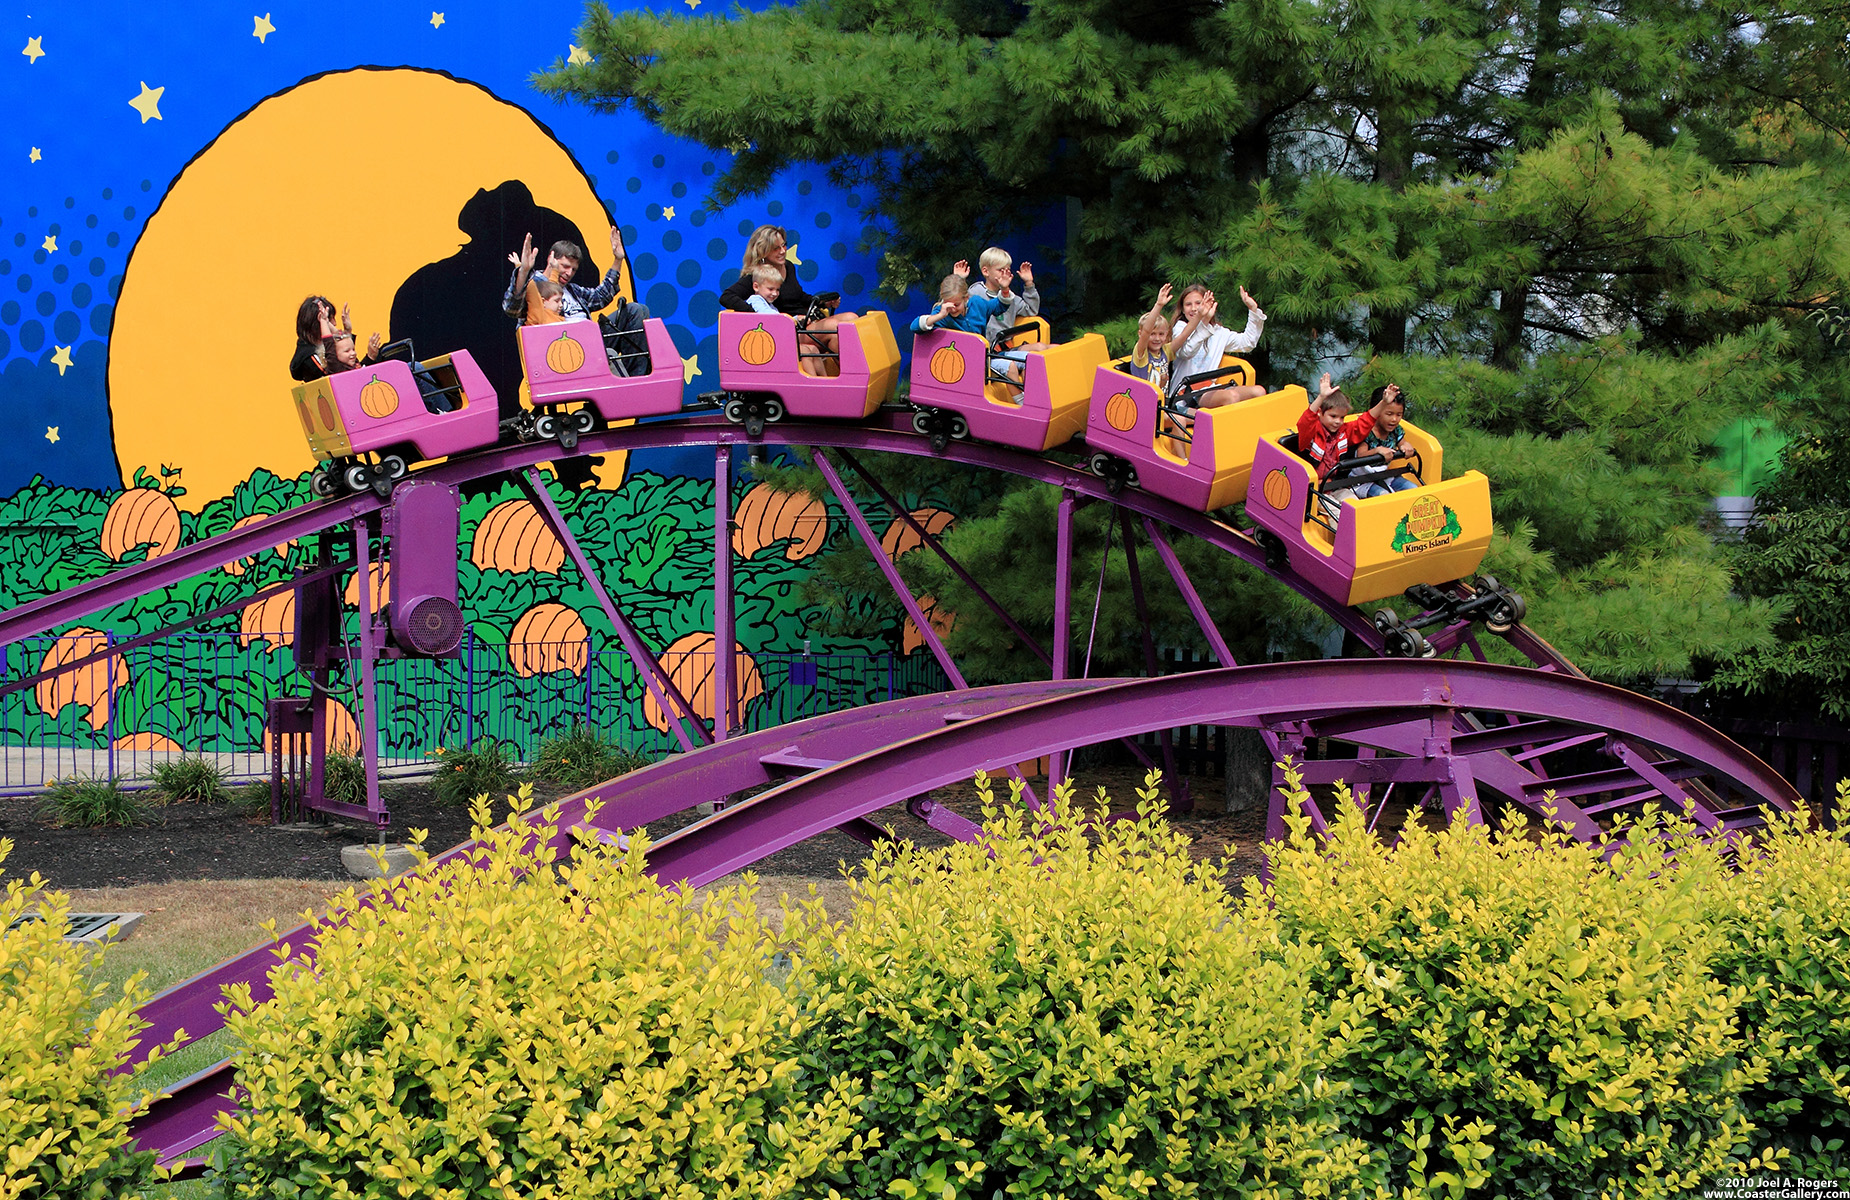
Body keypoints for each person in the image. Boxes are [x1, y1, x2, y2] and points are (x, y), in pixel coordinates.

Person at [503, 228, 651, 376]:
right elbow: (512, 308)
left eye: (573, 269)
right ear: (551, 258)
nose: (569, 273)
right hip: (560, 353)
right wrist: (523, 272)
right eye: (565, 266)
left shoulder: (572, 290)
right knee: (608, 352)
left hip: (591, 342)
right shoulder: (534, 286)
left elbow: (600, 297)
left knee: (635, 311)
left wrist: (618, 260)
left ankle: (636, 381)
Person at [718, 224, 856, 373]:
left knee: (851, 318)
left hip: (806, 322)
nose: (783, 251)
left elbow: (799, 296)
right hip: (789, 332)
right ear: (763, 251)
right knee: (835, 325)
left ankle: (850, 381)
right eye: (776, 248)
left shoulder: (788, 266)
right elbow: (727, 297)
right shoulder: (756, 276)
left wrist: (823, 302)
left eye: (784, 245)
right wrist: (758, 315)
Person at [1296, 374, 1398, 519]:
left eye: (1342, 417)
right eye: (1333, 416)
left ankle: (1360, 540)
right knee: (1337, 513)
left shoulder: (1343, 432)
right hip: (1314, 491)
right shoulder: (1311, 433)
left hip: (1335, 486)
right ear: (1320, 413)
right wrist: (1321, 398)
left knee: (1355, 509)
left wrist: (1384, 403)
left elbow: (1365, 422)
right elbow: (1305, 423)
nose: (1338, 421)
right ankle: (1342, 541)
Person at [1168, 284, 1268, 408]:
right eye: (1188, 304)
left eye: (1198, 303)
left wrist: (1253, 310)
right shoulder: (1181, 328)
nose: (1194, 308)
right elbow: (1187, 352)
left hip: (1210, 388)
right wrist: (1202, 320)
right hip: (1185, 394)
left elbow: (1247, 343)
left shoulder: (1218, 332)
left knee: (1259, 391)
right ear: (1182, 309)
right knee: (1232, 397)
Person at [954, 249, 1047, 378]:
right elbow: (956, 305)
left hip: (1007, 349)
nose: (1005, 274)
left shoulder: (1011, 297)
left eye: (1007, 270)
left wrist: (1029, 283)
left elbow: (1031, 310)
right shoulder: (976, 293)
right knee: (1025, 361)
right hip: (987, 353)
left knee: (1041, 349)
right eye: (1000, 270)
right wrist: (958, 279)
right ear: (986, 271)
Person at [742, 263, 825, 375]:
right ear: (756, 286)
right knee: (804, 351)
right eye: (770, 289)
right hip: (768, 346)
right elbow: (770, 317)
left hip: (777, 342)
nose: (775, 293)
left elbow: (778, 316)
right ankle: (813, 384)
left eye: (777, 290)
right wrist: (792, 319)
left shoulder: (770, 304)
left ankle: (824, 380)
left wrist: (797, 318)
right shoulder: (755, 300)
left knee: (813, 349)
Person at [291, 296, 378, 381]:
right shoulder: (311, 361)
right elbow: (348, 379)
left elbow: (352, 370)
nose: (335, 323)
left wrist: (347, 332)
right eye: (330, 319)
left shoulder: (330, 347)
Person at [1352, 386, 1419, 497]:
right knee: (1383, 495)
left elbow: (1402, 442)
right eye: (1389, 414)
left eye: (1398, 415)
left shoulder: (1395, 431)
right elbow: (1361, 455)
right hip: (1362, 480)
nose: (1394, 419)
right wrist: (1377, 451)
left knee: (1412, 489)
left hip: (1384, 476)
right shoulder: (1367, 431)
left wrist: (1406, 446)